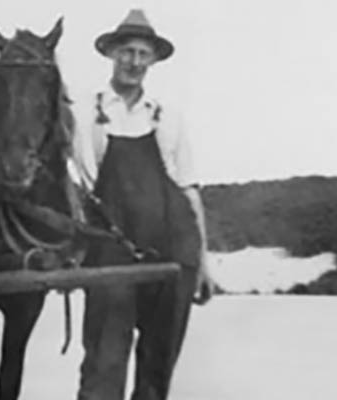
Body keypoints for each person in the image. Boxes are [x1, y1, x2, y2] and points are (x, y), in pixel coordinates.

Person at [70, 9, 215, 400]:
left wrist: (201, 259)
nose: (134, 62)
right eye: (126, 52)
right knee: (104, 363)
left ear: (152, 60)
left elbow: (188, 188)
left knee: (157, 368)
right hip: (112, 254)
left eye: (142, 54)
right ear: (111, 54)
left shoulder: (167, 115)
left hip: (172, 252)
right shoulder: (85, 111)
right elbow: (81, 183)